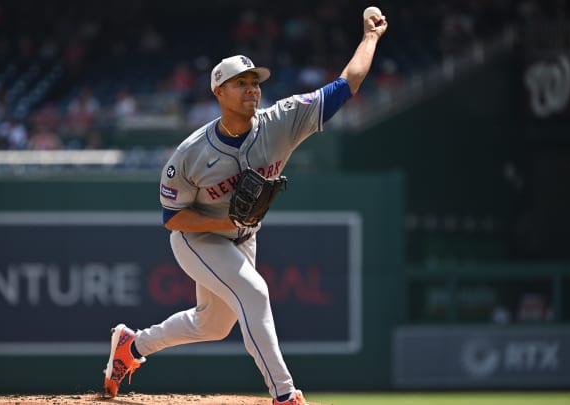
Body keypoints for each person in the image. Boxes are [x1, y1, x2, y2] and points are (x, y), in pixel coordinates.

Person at [102, 10, 388, 405]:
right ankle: (285, 394)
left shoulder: (283, 121)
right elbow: (173, 219)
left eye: (255, 82)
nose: (252, 89)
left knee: (212, 324)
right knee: (254, 293)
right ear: (219, 91)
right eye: (241, 83)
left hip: (244, 237)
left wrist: (370, 38)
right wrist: (225, 219)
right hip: (197, 238)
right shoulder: (189, 155)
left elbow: (346, 84)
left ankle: (132, 347)